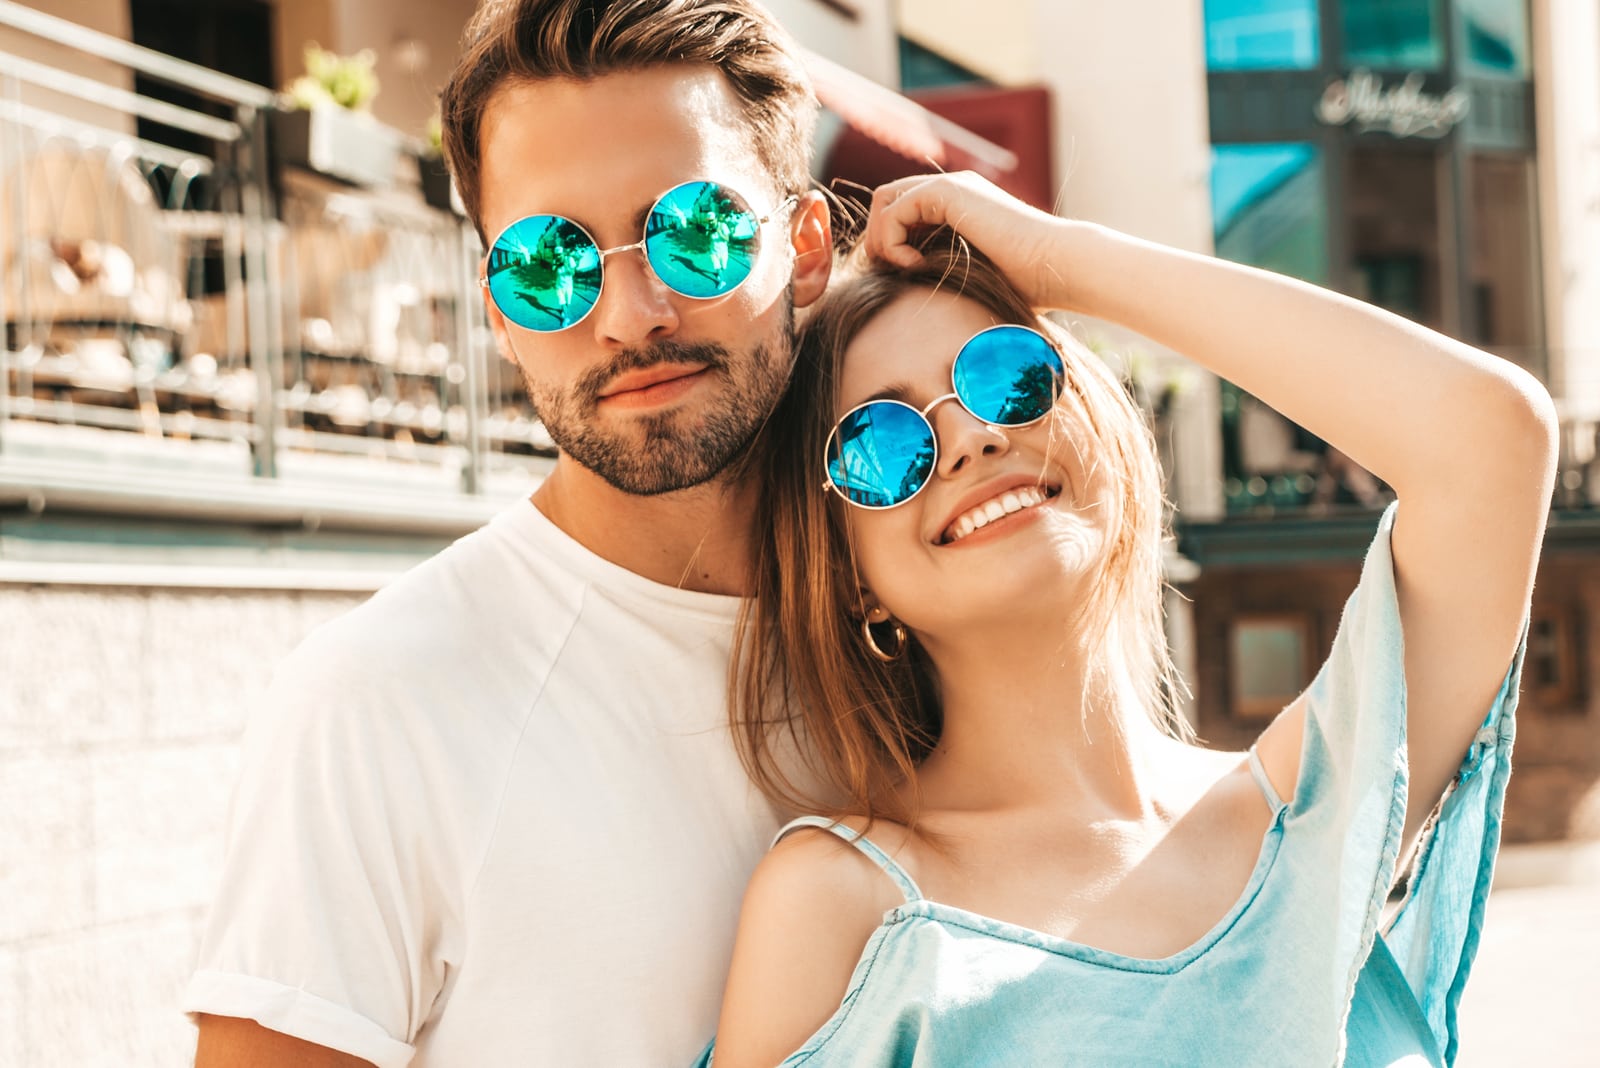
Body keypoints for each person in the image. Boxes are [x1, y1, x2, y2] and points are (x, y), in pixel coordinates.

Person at [705, 173, 1556, 1066]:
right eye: (880, 444)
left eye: (1007, 375)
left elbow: (1490, 437)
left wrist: (1056, 260)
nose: (969, 437)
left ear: (1100, 427)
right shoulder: (844, 906)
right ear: (850, 579)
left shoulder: (1306, 814)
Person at [183, 1, 831, 1064]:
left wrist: (1057, 265)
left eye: (697, 232)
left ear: (806, 248)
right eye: (545, 263)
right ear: (494, 308)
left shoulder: (918, 626)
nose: (629, 313)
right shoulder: (385, 700)